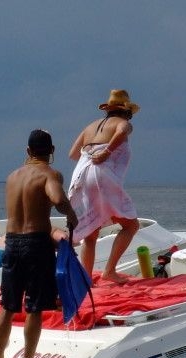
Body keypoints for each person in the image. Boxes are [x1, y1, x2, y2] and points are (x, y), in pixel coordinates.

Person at [0, 130, 78, 358]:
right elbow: (58, 198)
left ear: (28, 151)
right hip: (36, 245)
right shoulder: (49, 174)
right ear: (51, 152)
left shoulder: (12, 177)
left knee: (6, 307)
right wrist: (70, 213)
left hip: (12, 243)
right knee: (34, 307)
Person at [68, 89, 140, 283]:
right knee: (131, 225)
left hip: (82, 175)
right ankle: (109, 271)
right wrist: (107, 151)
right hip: (100, 176)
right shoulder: (124, 123)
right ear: (126, 111)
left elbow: (73, 154)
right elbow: (123, 130)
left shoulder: (90, 126)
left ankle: (86, 278)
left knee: (91, 233)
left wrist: (93, 151)